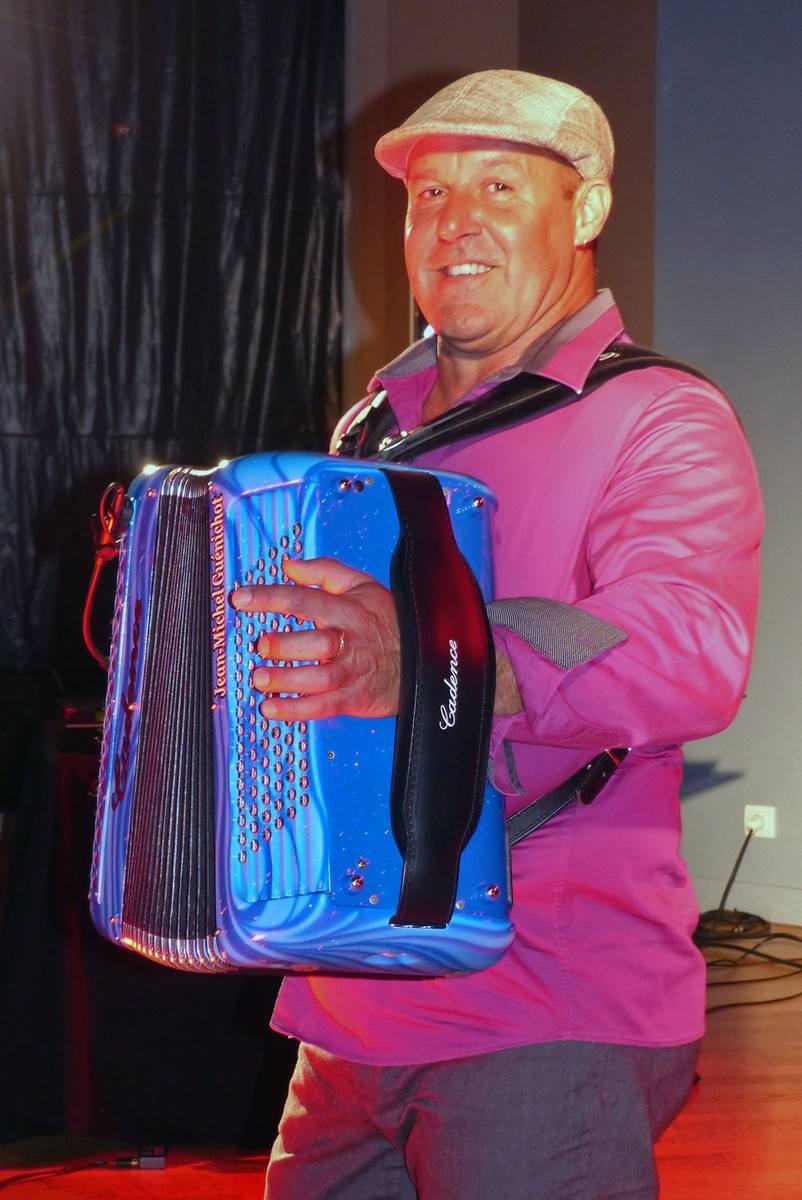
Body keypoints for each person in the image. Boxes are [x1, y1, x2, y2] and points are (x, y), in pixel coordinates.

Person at [232, 69, 762, 1200]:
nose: (454, 222)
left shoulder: (659, 415)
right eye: (429, 194)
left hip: (542, 1004)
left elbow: (690, 647)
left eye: (499, 186)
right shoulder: (370, 426)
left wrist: (429, 658)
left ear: (587, 209)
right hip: (345, 997)